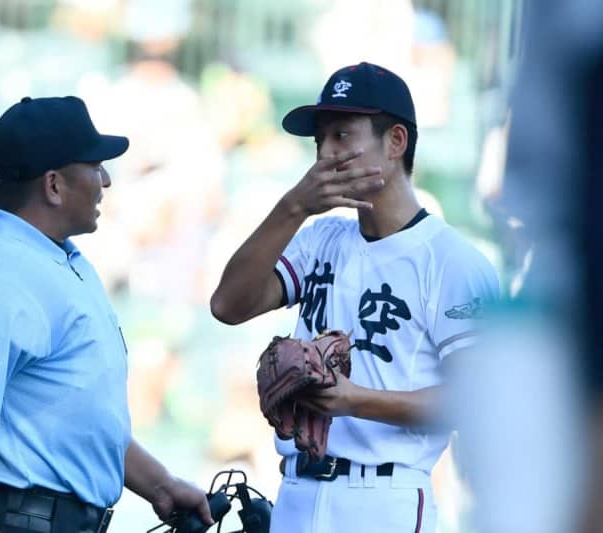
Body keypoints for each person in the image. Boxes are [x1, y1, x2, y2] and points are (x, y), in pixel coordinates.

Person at [210, 62, 499, 532]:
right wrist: (293, 207)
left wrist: (353, 400)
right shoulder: (318, 237)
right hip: (297, 496)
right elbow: (228, 305)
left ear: (396, 142)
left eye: (343, 134)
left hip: (385, 498)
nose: (326, 152)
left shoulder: (451, 261)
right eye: (320, 139)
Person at [0, 96, 213, 533]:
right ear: (54, 185)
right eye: (95, 166)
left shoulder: (64, 262)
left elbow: (75, 416)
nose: (106, 179)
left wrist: (160, 485)